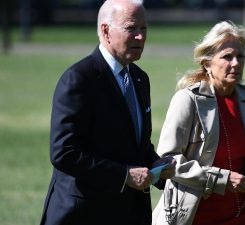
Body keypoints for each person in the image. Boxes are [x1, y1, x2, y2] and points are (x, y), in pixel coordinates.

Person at [39, 1, 175, 225]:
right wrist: (123, 175)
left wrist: (156, 163)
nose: (140, 37)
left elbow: (136, 144)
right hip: (84, 213)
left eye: (144, 29)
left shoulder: (140, 79)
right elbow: (64, 152)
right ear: (105, 30)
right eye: (132, 28)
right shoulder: (80, 78)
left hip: (130, 212)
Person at [152, 21, 245, 225]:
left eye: (240, 56)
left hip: (243, 215)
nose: (235, 63)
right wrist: (222, 179)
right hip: (193, 216)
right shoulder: (187, 99)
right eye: (227, 57)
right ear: (207, 63)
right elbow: (168, 162)